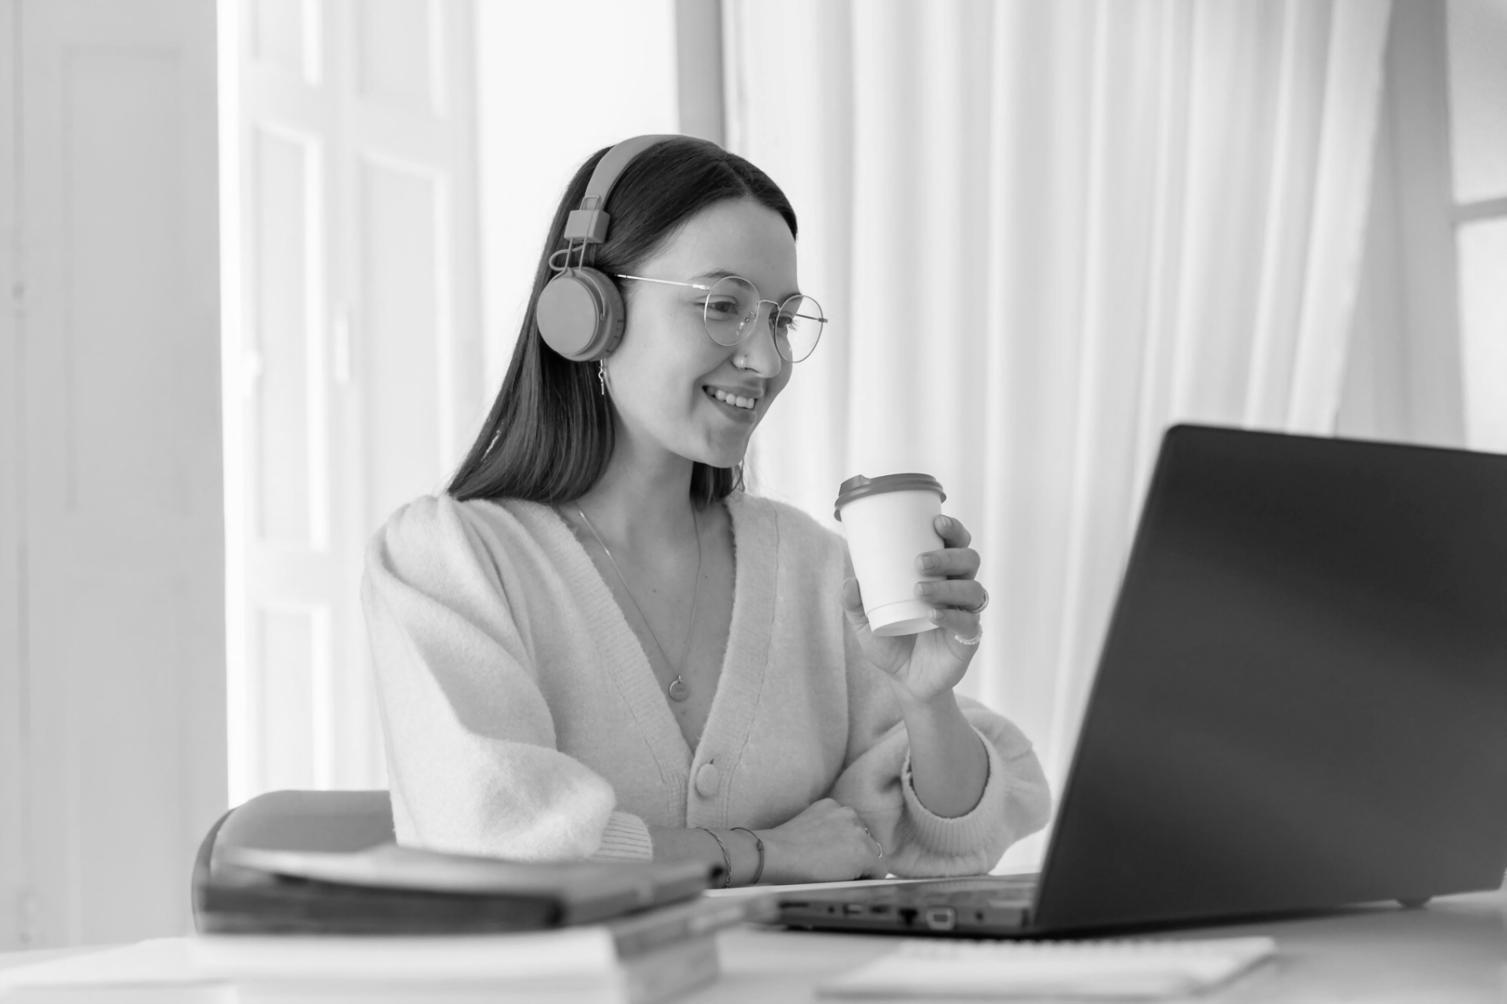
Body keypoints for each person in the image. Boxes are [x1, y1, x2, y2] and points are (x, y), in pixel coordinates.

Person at [362, 134, 1051, 886]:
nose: (766, 360)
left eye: (782, 319)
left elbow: (950, 845)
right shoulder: (451, 562)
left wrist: (926, 698)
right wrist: (763, 852)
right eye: (723, 306)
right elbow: (494, 842)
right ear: (586, 311)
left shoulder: (811, 568)